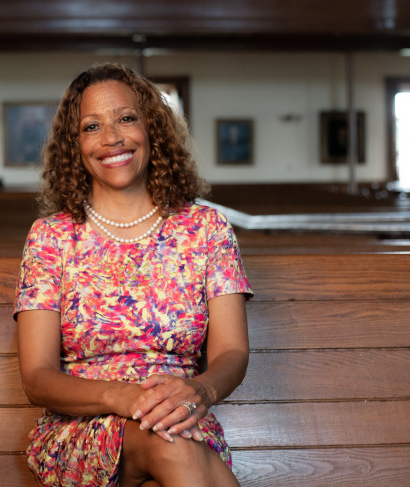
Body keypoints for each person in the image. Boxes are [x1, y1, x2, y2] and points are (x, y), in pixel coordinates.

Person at [14, 62, 253, 487]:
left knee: (174, 444)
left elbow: (231, 352)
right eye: (91, 126)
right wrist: (123, 397)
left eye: (126, 118)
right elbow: (38, 377)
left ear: (151, 129)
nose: (112, 138)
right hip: (83, 427)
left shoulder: (207, 230)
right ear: (75, 144)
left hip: (183, 417)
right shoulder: (51, 238)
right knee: (173, 446)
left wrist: (201, 391)